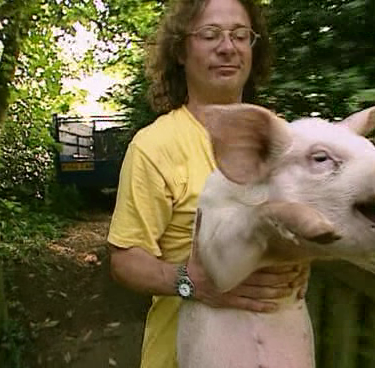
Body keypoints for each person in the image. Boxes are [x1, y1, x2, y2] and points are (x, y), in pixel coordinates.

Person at [107, 0, 310, 367]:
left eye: (240, 35)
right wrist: (191, 282)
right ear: (181, 50)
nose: (228, 47)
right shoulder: (155, 146)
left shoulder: (279, 139)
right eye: (210, 34)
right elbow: (125, 259)